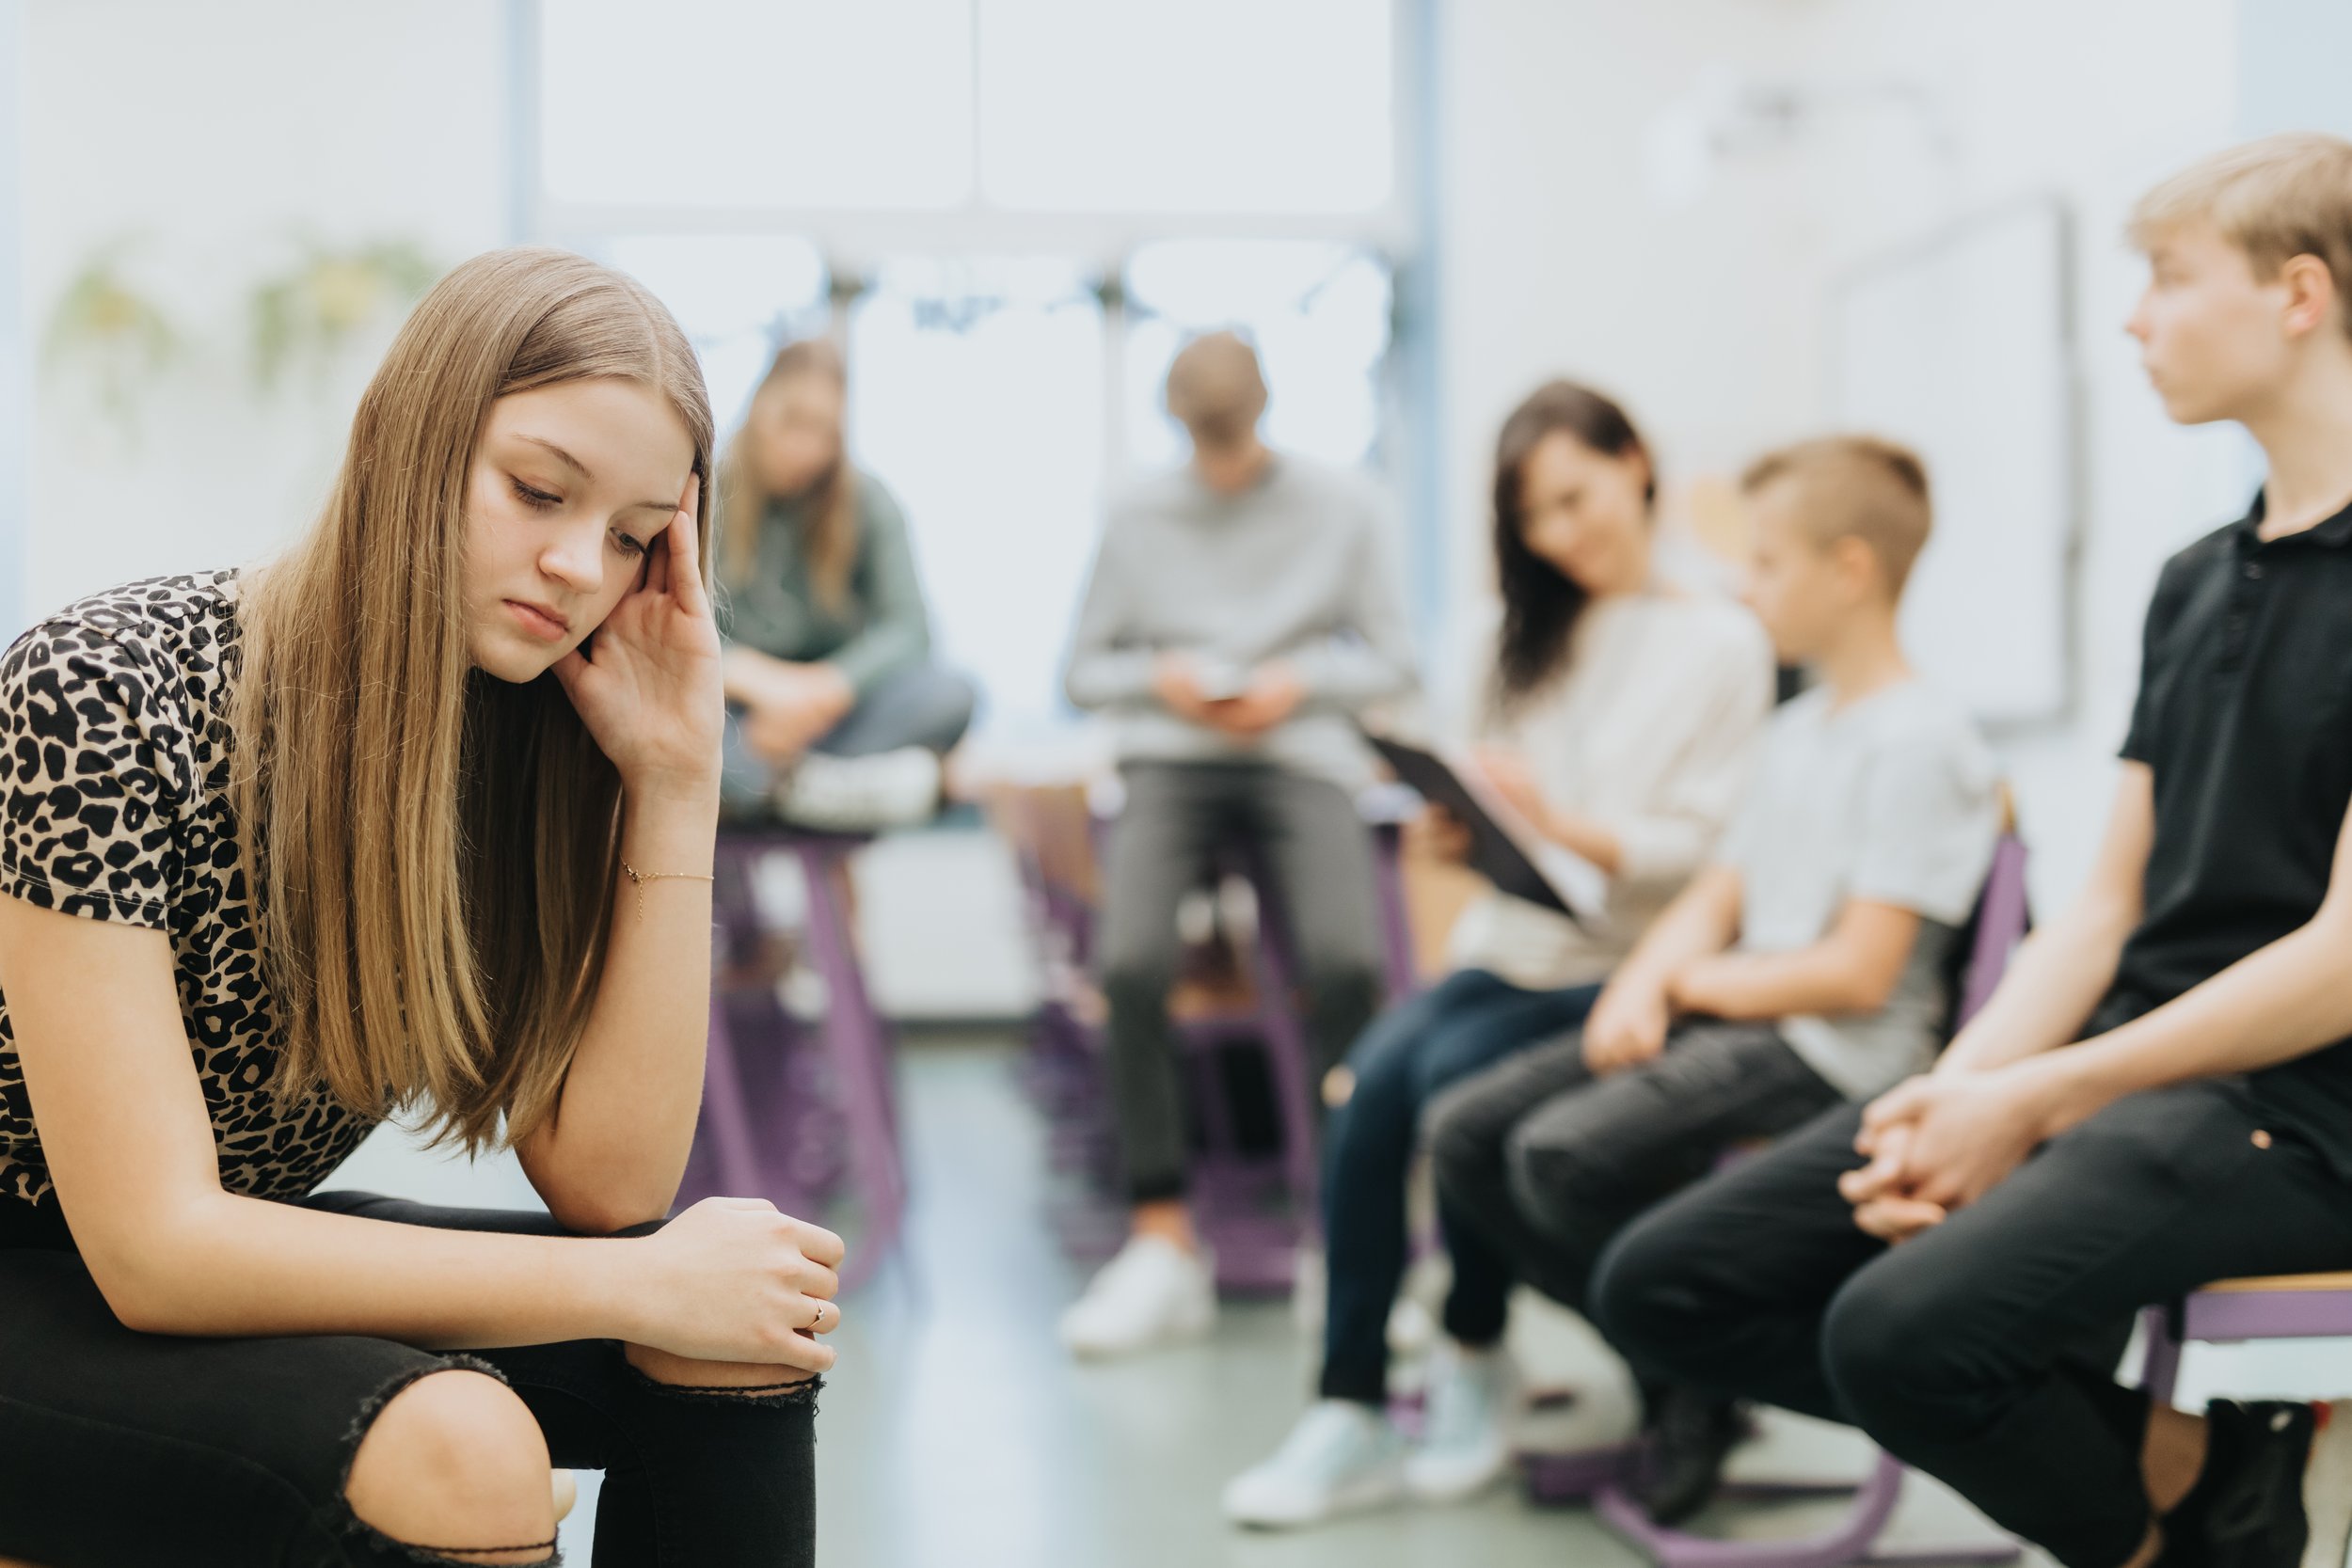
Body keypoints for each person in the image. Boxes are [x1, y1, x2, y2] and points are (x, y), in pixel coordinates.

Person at [0, 248, 845, 1568]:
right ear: (407, 438)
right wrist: (638, 1277)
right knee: (466, 1444)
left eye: (631, 536)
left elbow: (611, 1183)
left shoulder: (515, 732)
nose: (579, 565)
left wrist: (678, 781)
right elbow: (155, 1247)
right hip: (66, 1264)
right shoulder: (102, 689)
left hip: (203, 1257)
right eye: (536, 490)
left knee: (731, 1328)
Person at [1589, 133, 2352, 1568]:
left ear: (2298, 296)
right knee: (1670, 1280)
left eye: (2169, 279)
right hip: (2140, 1068)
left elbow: (2341, 962)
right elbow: (2105, 906)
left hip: (2303, 1107)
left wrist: (2036, 1093)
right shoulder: (2194, 581)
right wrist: (1954, 1091)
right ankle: (2184, 1468)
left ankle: (2162, 1537)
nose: (2133, 318)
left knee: (1898, 1332)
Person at [1221, 381, 1774, 1528]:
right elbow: (1482, 809)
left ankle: (1473, 1352)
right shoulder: (1500, 635)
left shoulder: (1724, 639)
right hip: (1508, 943)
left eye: (1577, 497)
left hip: (1625, 961)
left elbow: (1720, 852)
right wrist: (1460, 827)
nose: (1561, 534)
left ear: (1636, 461)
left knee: (1446, 1089)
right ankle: (1353, 1401)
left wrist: (1562, 822)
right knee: (1370, 1083)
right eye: (1535, 517)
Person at [1433, 435, 2003, 1525]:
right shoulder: (1796, 730)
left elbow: (1856, 970)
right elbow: (1720, 890)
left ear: (1850, 570)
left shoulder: (1922, 742)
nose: (1743, 590)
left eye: (1767, 566)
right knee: (1466, 1134)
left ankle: (1685, 1358)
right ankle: (1675, 1369)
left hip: (1827, 1051)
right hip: (1742, 1017)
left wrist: (1694, 990)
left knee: (1558, 1153)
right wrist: (1643, 979)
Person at [1056, 330, 1420, 1359]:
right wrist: (1162, 676)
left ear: (1264, 411)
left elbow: (1398, 659)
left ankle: (1342, 1235)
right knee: (1128, 966)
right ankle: (1162, 1236)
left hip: (1300, 748)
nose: (1218, 462)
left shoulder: (1345, 506)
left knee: (1349, 963)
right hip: (1172, 751)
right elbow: (1082, 670)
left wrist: (1298, 682)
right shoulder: (1134, 512)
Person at [716, 338, 976, 832]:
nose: (806, 448)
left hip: (825, 720)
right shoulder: (709, 488)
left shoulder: (868, 501)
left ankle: (785, 788)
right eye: (792, 422)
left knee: (952, 693)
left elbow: (910, 631)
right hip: (736, 714)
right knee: (683, 733)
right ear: (759, 406)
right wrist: (760, 682)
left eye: (824, 432)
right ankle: (822, 789)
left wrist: (828, 686)